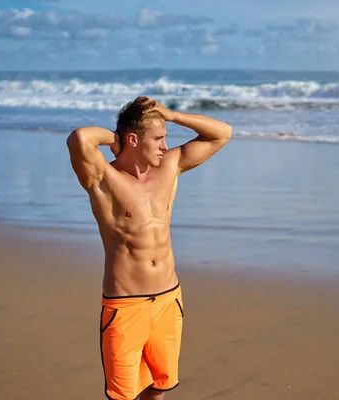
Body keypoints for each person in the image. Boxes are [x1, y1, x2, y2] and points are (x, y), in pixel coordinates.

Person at [66, 96, 232, 400]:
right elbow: (81, 137)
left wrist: (171, 115)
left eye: (165, 138)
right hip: (126, 306)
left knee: (159, 387)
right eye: (158, 138)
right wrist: (115, 143)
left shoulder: (170, 166)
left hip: (169, 300)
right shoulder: (103, 178)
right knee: (124, 395)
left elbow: (222, 133)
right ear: (132, 139)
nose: (165, 146)